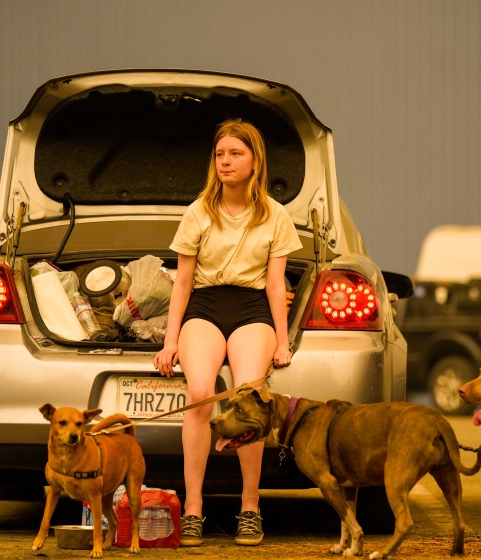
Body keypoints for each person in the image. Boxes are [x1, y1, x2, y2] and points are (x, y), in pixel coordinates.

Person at [153, 119, 301, 547]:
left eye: (235, 154)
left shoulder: (275, 215)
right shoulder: (199, 211)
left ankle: (250, 507)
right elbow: (181, 282)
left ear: (255, 160)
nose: (225, 162)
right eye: (220, 154)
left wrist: (283, 340)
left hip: (252, 307)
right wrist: (170, 340)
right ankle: (194, 508)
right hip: (205, 305)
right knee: (200, 393)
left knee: (248, 397)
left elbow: (276, 285)